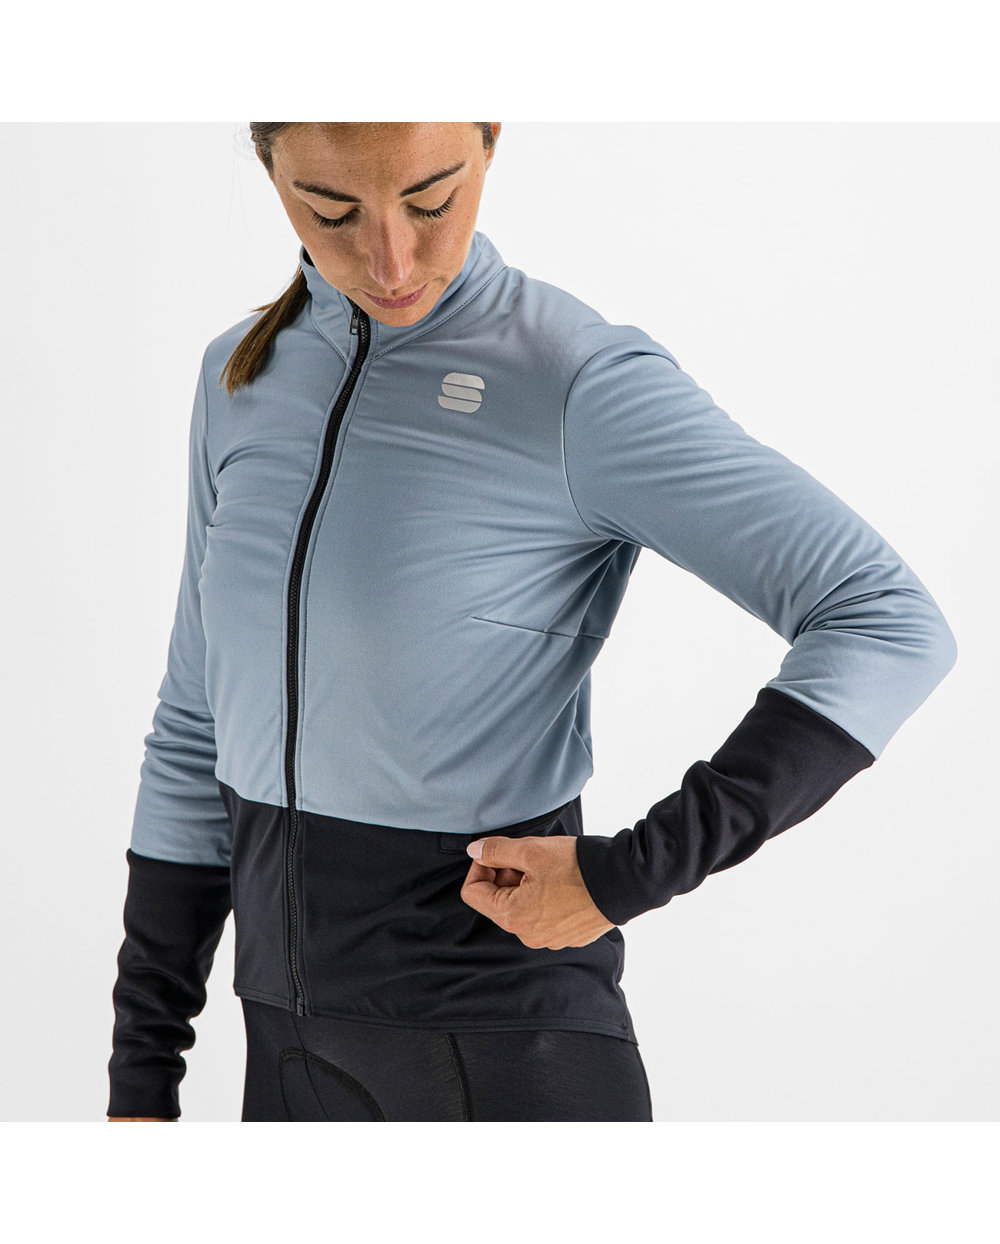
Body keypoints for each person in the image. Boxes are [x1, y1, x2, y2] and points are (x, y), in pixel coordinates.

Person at [107, 121, 957, 1122]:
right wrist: (142, 1072)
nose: (391, 260)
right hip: (289, 1061)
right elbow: (197, 720)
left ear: (490, 141)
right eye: (331, 212)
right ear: (269, 168)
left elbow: (885, 619)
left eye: (431, 201)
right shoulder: (243, 377)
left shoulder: (571, 378)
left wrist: (631, 870)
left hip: (508, 1051)